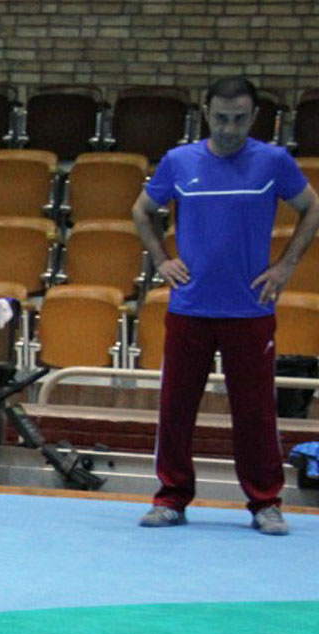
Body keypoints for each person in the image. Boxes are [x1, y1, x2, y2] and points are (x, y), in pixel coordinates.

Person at [132, 76, 319, 535]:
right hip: (190, 307)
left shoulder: (274, 162)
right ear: (205, 114)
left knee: (256, 413)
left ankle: (265, 503)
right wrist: (162, 259)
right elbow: (141, 210)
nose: (229, 128)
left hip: (250, 310)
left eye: (238, 119)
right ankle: (171, 498)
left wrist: (285, 266)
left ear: (254, 117)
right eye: (220, 118)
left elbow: (312, 208)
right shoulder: (178, 162)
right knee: (176, 408)